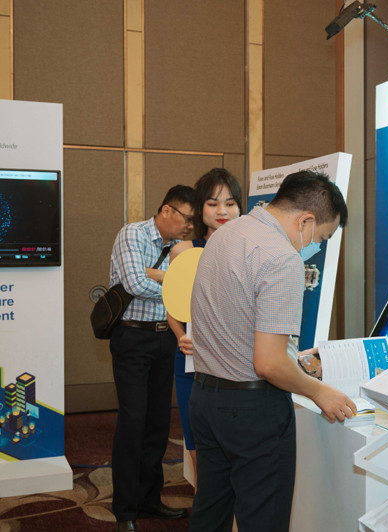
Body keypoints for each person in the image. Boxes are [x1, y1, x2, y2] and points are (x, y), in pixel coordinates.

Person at [188, 170, 357, 532]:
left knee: (210, 512)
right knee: (262, 519)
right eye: (321, 237)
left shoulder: (225, 234)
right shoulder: (281, 258)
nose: (315, 247)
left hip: (205, 397)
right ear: (305, 221)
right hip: (252, 410)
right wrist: (319, 391)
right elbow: (268, 363)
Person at [109, 185, 195, 532]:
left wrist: (158, 274)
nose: (190, 227)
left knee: (158, 423)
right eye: (187, 219)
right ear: (167, 211)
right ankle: (125, 510)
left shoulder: (179, 248)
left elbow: (187, 287)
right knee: (133, 421)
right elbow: (134, 283)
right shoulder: (133, 234)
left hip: (166, 338)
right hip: (132, 338)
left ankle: (149, 498)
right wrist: (174, 281)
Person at [166, 168, 243, 490]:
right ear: (200, 209)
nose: (222, 211)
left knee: (236, 448)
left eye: (230, 203)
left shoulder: (249, 250)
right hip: (192, 362)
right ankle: (207, 508)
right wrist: (180, 336)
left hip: (238, 365)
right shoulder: (183, 251)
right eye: (213, 203)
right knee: (199, 448)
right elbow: (173, 305)